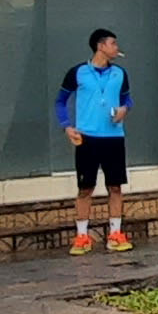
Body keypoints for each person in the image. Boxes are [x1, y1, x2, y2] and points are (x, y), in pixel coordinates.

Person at [56, 27, 132, 253]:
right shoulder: (78, 72)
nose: (117, 49)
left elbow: (128, 100)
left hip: (114, 137)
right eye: (113, 44)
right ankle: (81, 236)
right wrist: (67, 126)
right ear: (101, 46)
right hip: (87, 138)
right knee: (85, 188)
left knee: (115, 186)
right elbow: (60, 101)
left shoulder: (120, 73)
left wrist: (123, 110)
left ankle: (115, 234)